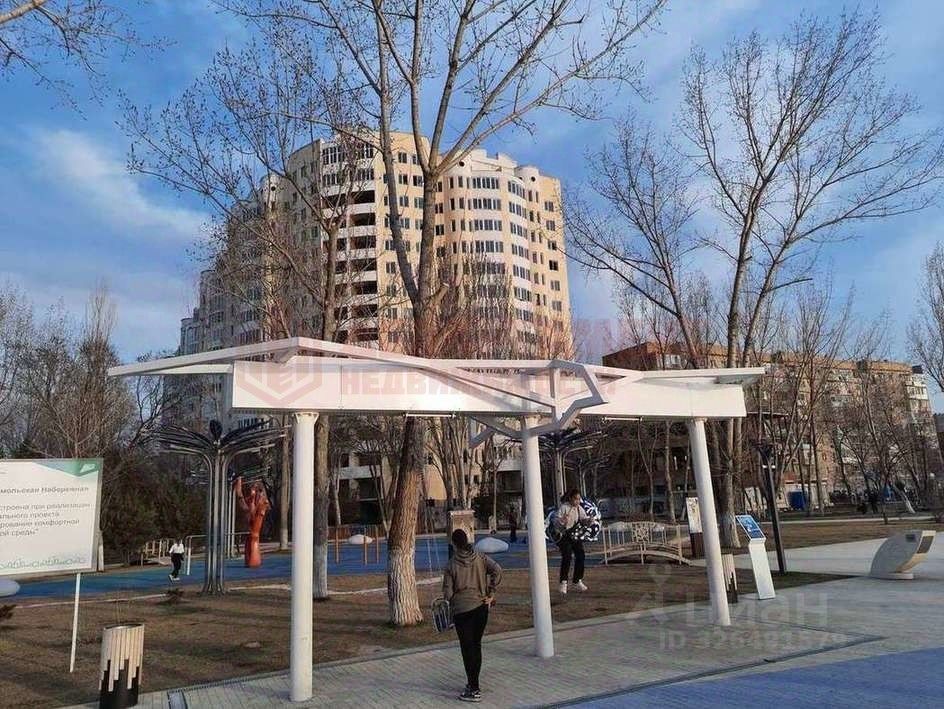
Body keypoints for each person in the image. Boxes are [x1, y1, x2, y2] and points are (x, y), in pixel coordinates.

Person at [443, 528, 502, 703]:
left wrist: (452, 599)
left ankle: (473, 688)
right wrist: (491, 592)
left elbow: (448, 593)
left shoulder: (451, 565)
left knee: (467, 648)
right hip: (481, 607)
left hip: (462, 611)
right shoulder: (480, 557)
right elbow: (497, 570)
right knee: (476, 646)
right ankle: (474, 683)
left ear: (454, 544)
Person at [556, 489, 589, 595]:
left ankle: (577, 580)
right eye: (576, 499)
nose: (577, 501)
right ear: (570, 498)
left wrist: (588, 521)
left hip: (575, 536)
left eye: (579, 499)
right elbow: (556, 522)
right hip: (565, 536)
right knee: (567, 557)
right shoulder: (564, 507)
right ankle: (563, 582)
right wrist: (562, 520)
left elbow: (584, 519)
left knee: (581, 555)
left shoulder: (579, 508)